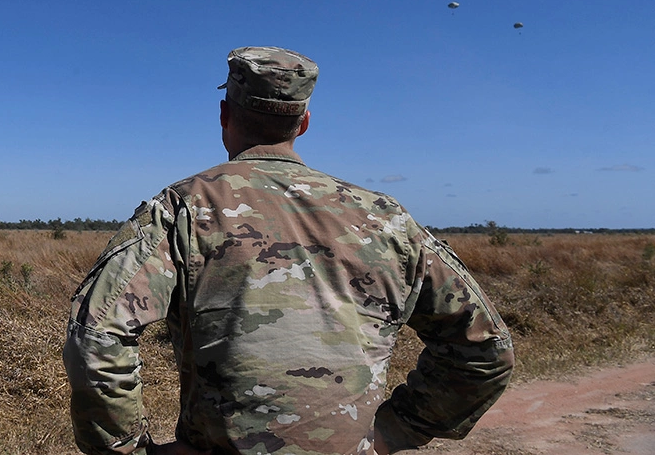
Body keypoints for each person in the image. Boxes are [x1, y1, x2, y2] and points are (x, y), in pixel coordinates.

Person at [63, 47, 514, 455]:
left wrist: (126, 448)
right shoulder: (386, 217)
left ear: (223, 115)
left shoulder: (184, 208)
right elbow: (486, 347)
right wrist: (394, 430)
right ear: (304, 122)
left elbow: (96, 335)